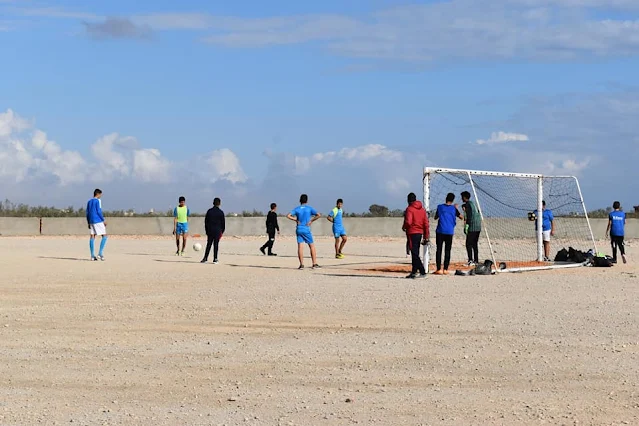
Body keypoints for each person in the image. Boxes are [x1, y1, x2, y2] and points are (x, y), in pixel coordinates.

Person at [287, 194, 321, 269]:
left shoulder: (297, 209)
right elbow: (318, 215)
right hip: (306, 228)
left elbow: (288, 215)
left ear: (300, 200)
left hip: (299, 228)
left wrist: (295, 219)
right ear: (307, 200)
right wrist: (311, 220)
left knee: (300, 246)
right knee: (311, 246)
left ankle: (301, 264)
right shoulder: (309, 208)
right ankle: (314, 263)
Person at [434, 192, 462, 275]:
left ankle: (439, 269)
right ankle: (445, 269)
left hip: (440, 231)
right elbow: (461, 217)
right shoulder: (454, 208)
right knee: (447, 250)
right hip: (449, 232)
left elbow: (436, 217)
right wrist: (456, 208)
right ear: (453, 200)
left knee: (439, 250)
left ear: (446, 198)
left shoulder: (440, 207)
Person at [402, 192, 429, 279]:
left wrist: (404, 227)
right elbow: (426, 223)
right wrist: (426, 236)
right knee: (415, 252)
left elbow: (408, 221)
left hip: (412, 232)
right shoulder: (422, 210)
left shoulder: (409, 209)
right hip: (419, 233)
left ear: (408, 200)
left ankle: (422, 271)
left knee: (414, 253)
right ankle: (414, 271)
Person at [201, 198, 225, 264]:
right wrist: (221, 232)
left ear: (213, 203)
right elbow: (223, 223)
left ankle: (205, 258)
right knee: (216, 244)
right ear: (219, 203)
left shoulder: (209, 211)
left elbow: (206, 222)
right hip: (217, 230)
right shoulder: (221, 212)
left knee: (209, 244)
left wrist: (206, 230)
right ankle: (215, 258)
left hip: (210, 230)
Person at [461, 191, 481, 266]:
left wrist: (467, 225)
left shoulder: (468, 205)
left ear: (464, 197)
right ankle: (476, 260)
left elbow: (469, 216)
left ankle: (470, 260)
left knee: (468, 244)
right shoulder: (473, 204)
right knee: (474, 244)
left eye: (462, 197)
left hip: (472, 227)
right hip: (478, 226)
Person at [86, 188, 107, 261]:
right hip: (98, 220)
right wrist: (103, 219)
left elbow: (87, 213)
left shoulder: (89, 201)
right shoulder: (97, 201)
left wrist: (88, 222)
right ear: (97, 194)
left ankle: (92, 256)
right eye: (100, 194)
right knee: (104, 236)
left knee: (92, 236)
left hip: (91, 220)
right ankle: (100, 253)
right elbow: (99, 211)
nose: (101, 196)